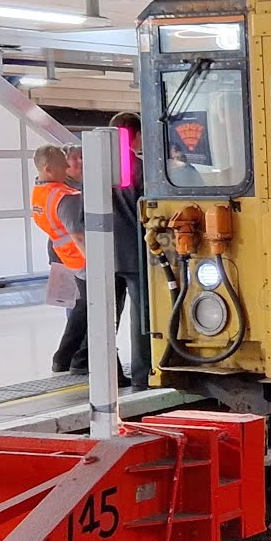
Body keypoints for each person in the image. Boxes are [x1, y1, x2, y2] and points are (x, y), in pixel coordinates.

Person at [32, 144, 88, 375]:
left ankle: (67, 358)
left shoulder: (40, 191)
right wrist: (95, 261)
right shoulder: (65, 195)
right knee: (84, 307)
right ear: (48, 168)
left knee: (79, 306)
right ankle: (69, 357)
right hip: (78, 257)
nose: (69, 166)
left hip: (63, 253)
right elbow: (77, 234)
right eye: (66, 162)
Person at [111, 112, 151, 389]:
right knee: (141, 316)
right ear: (135, 135)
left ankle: (108, 373)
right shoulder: (141, 169)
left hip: (105, 255)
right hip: (135, 253)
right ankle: (142, 373)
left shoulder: (96, 170)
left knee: (106, 317)